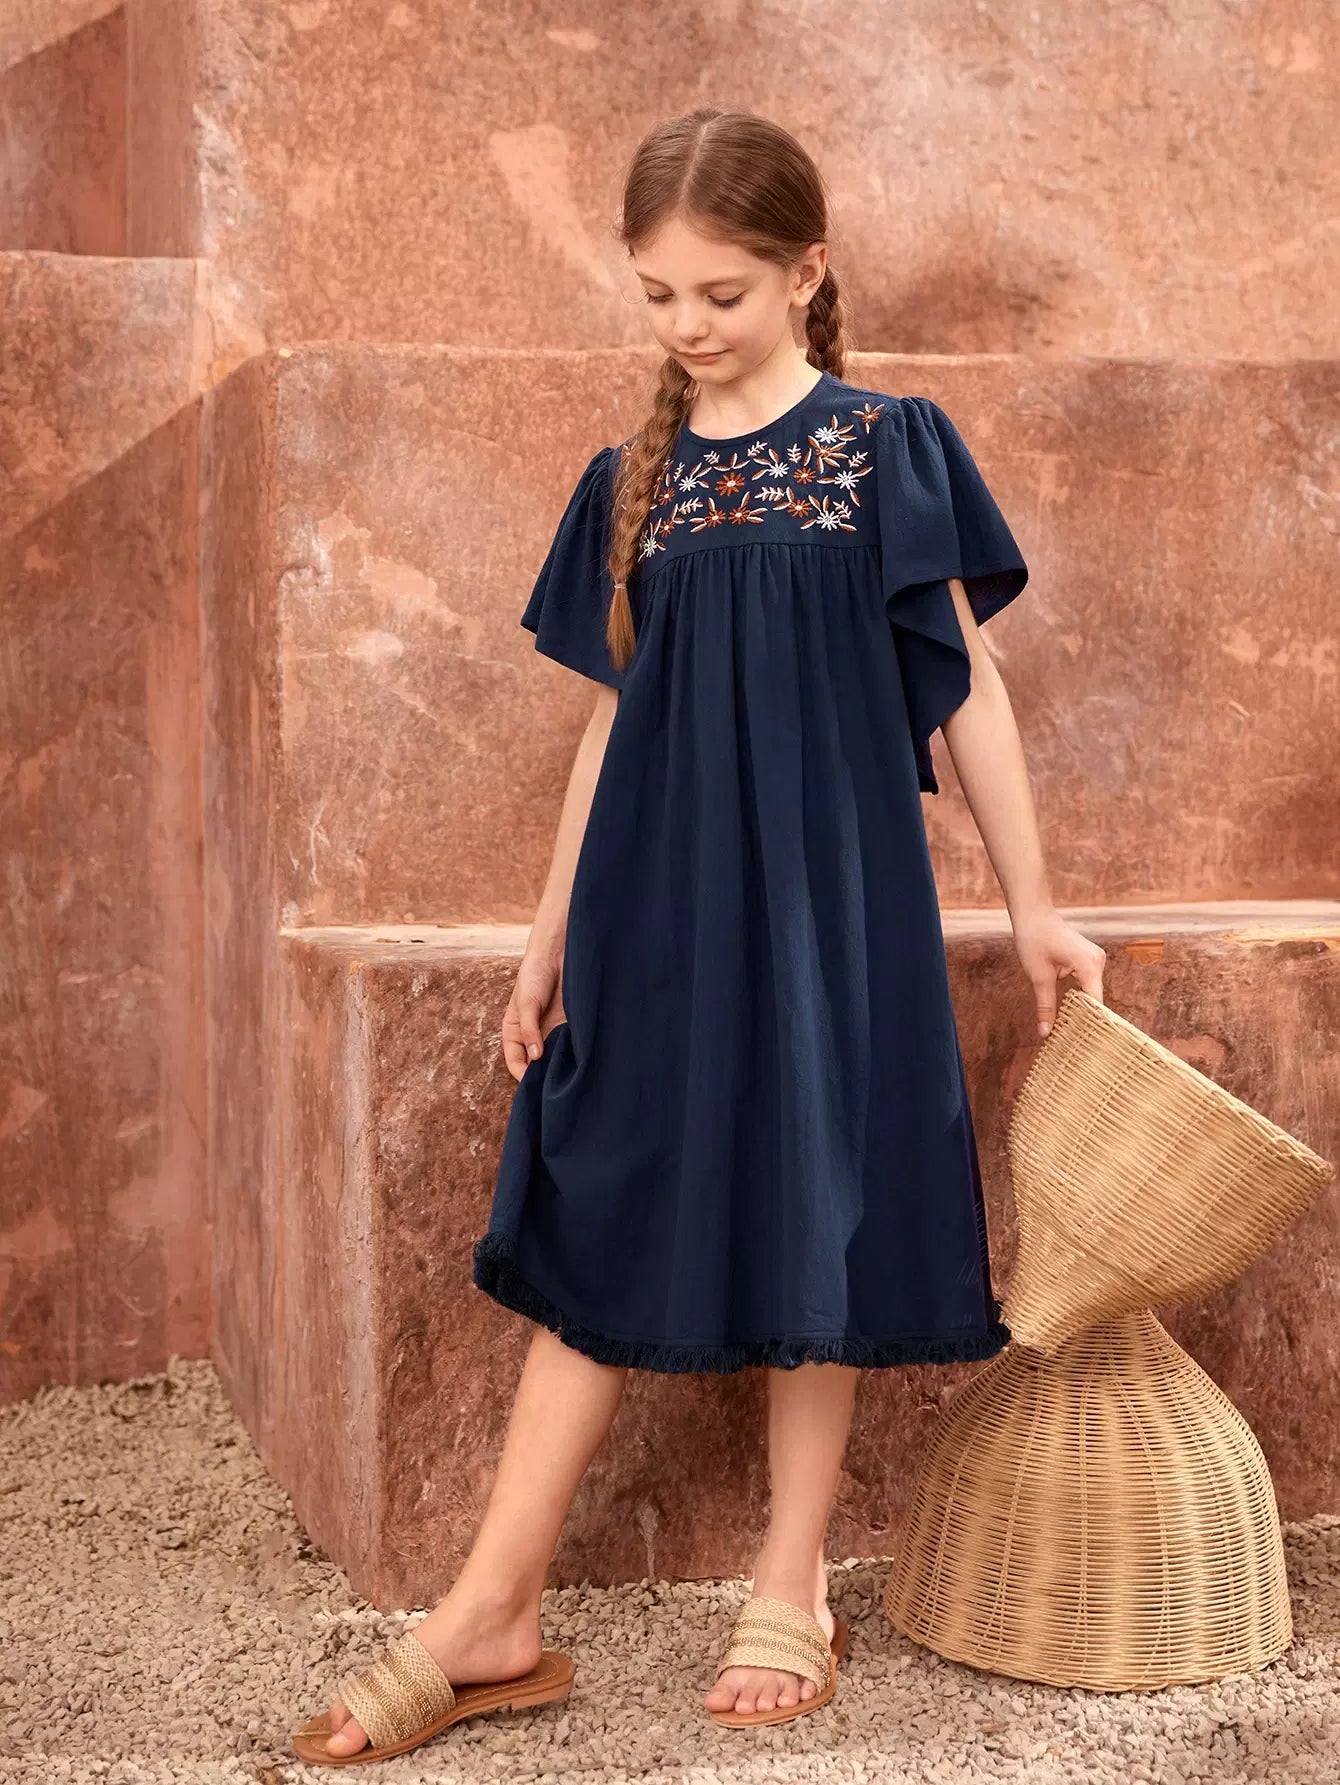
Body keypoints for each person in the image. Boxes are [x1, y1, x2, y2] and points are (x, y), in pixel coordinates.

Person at [292, 105, 1107, 1766]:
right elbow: (612, 724)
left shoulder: (886, 448)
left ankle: (790, 1580)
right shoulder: (632, 482)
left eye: (720, 292)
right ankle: (491, 1607)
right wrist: (548, 935)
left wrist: (1037, 909)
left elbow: (971, 689)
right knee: (601, 1201)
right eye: (657, 294)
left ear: (808, 271)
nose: (687, 325)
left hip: (833, 910)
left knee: (819, 1209)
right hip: (655, 906)